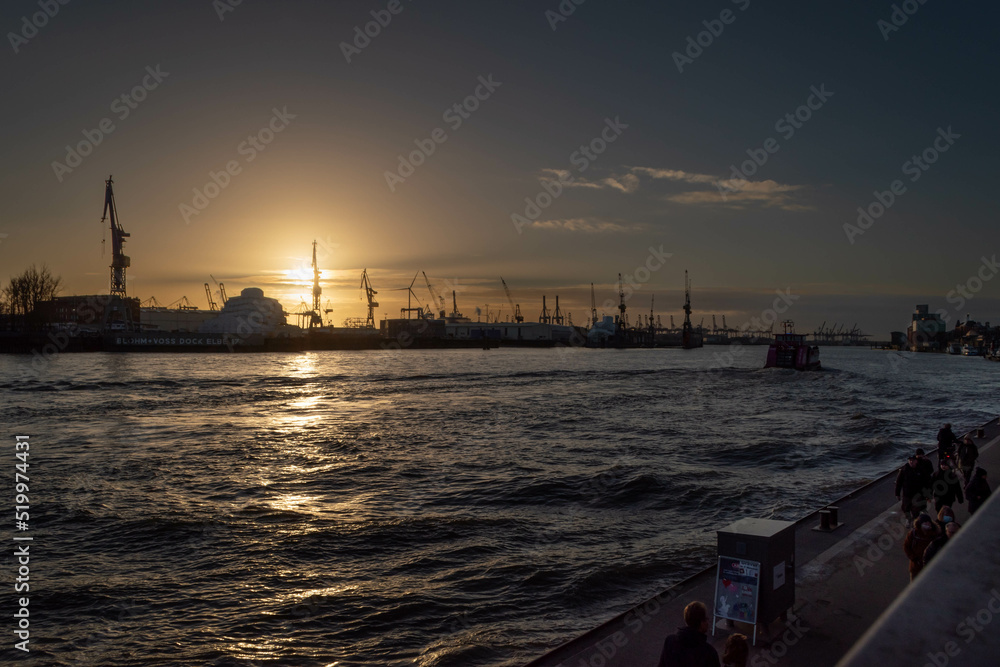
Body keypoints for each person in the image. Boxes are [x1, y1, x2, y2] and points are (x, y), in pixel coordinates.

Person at [658, 601, 721, 667]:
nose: (708, 622)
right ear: (701, 623)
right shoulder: (708, 652)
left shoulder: (669, 641)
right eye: (706, 619)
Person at [903, 512, 940, 581]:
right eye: (925, 522)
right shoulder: (913, 533)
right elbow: (906, 546)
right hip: (916, 566)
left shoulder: (935, 533)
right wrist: (914, 558)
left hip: (931, 565)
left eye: (928, 522)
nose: (927, 524)